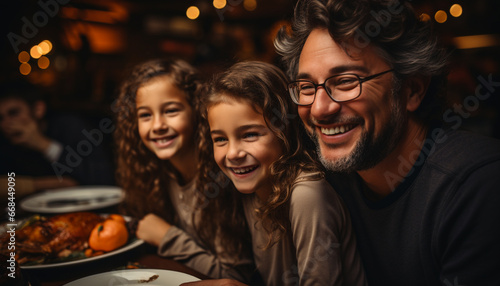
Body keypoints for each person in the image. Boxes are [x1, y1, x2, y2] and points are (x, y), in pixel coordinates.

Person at [275, 0, 500, 285]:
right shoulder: (326, 182)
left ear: (412, 90)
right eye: (306, 87)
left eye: (345, 81)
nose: (319, 109)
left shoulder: (478, 185)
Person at [187, 61, 366, 286]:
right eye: (220, 139)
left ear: (284, 133)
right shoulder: (251, 187)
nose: (233, 153)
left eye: (250, 135)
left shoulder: (306, 194)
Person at [113, 58, 254, 282]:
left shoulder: (223, 178)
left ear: (197, 112)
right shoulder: (156, 174)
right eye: (145, 115)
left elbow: (235, 278)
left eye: (170, 110)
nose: (157, 125)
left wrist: (167, 238)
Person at [0, 80, 115, 198]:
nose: (5, 124)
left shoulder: (69, 127)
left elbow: (102, 180)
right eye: (0, 118)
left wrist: (43, 145)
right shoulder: (5, 144)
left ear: (38, 109)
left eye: (14, 113)